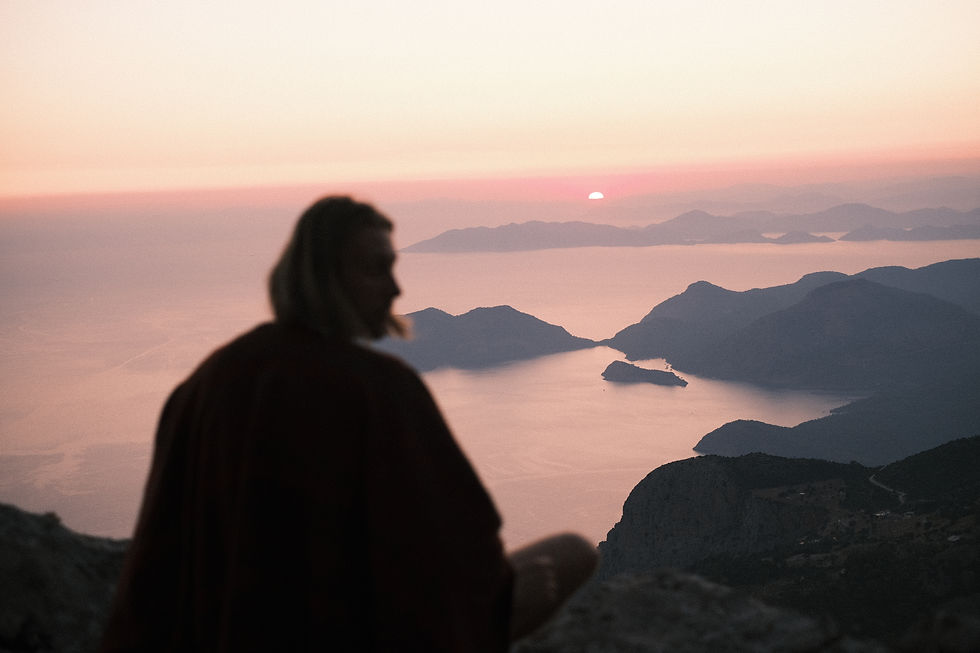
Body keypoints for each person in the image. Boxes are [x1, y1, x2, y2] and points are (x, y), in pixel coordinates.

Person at [100, 196, 596, 652]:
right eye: (377, 270)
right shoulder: (377, 387)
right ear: (326, 278)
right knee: (572, 553)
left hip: (214, 631)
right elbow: (463, 551)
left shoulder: (201, 387)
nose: (396, 288)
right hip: (353, 632)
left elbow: (155, 559)